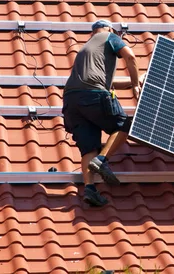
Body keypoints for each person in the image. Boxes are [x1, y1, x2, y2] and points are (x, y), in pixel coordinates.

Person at [62, 19, 141, 207]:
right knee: (124, 124)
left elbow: (105, 82)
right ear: (110, 29)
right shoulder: (109, 37)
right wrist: (136, 85)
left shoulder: (88, 49)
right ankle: (101, 160)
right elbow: (130, 58)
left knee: (89, 147)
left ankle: (90, 189)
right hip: (92, 95)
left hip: (72, 101)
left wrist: (132, 81)